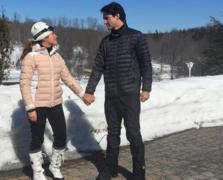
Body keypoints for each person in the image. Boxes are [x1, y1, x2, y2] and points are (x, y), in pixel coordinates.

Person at [83, 2, 152, 180]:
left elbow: (146, 65)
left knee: (133, 134)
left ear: (117, 16)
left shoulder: (136, 37)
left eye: (106, 18)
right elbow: (98, 67)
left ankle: (139, 173)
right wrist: (89, 90)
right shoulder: (105, 42)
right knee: (113, 134)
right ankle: (110, 170)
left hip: (129, 95)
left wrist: (146, 88)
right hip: (111, 96)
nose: (104, 21)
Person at [19, 21, 92, 180]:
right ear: (44, 38)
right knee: (37, 138)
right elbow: (24, 84)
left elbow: (68, 78)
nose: (55, 36)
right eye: (52, 34)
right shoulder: (31, 57)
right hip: (38, 105)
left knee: (60, 136)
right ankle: (38, 172)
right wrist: (30, 108)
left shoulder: (57, 56)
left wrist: (82, 94)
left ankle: (54, 166)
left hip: (55, 103)